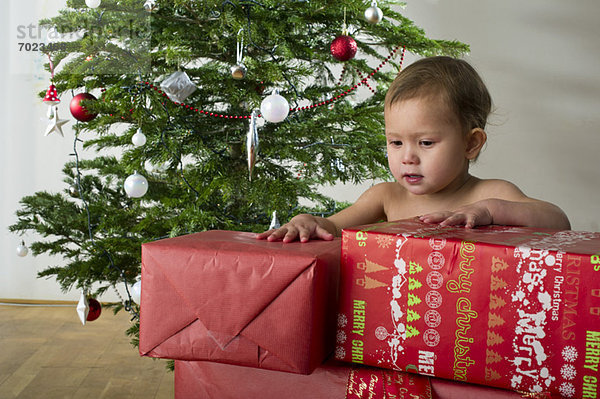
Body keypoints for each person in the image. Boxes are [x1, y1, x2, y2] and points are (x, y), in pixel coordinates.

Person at [257, 56, 570, 243]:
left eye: (426, 143)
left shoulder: (489, 195)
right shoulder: (386, 198)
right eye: (396, 142)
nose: (407, 156)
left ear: (470, 143)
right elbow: (333, 229)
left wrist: (492, 211)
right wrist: (309, 221)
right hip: (395, 321)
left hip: (466, 320)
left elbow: (558, 221)